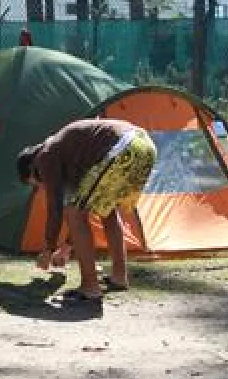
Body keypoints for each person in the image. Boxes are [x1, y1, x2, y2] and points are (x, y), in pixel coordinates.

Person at [16, 118, 158, 301]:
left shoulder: (44, 156)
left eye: (37, 183)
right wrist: (66, 247)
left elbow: (55, 207)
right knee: (107, 211)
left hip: (123, 147)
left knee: (73, 213)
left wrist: (48, 249)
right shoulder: (70, 154)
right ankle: (119, 277)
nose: (42, 185)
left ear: (31, 167)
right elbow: (85, 205)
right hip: (145, 145)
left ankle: (90, 287)